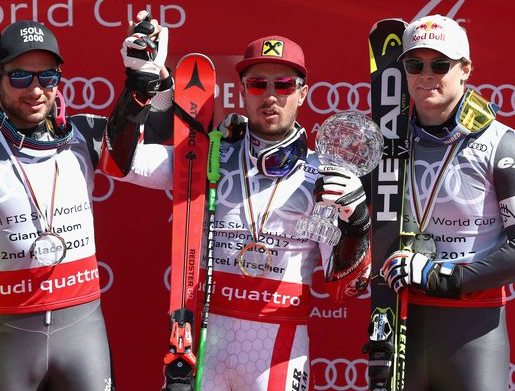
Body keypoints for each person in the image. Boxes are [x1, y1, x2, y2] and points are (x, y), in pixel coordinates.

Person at [105, 35, 373, 390]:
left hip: (279, 349)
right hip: (201, 344)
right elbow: (123, 163)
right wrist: (142, 85)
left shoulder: (323, 175)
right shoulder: (205, 155)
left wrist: (357, 224)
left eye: (284, 84)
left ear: (303, 93)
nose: (272, 95)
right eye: (259, 84)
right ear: (243, 91)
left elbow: (347, 289)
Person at [0, 16, 171, 390]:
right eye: (20, 77)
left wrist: (149, 76)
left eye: (47, 77)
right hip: (5, 336)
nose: (35, 90)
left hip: (82, 332)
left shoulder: (83, 134)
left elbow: (163, 132)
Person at [380, 14, 515, 391]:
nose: (427, 74)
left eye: (440, 64)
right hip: (399, 319)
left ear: (465, 69)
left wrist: (441, 276)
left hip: (472, 330)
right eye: (415, 64)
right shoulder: (385, 145)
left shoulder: (502, 145)